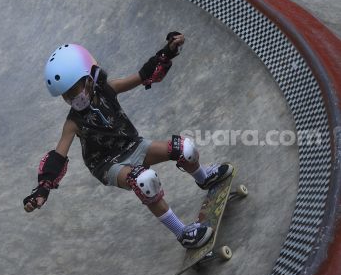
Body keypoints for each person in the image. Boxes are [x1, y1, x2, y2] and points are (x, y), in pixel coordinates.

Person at [24, 33, 232, 249]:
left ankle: (204, 177)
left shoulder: (107, 90)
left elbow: (142, 76)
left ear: (90, 77)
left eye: (75, 90)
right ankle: (183, 234)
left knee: (185, 149)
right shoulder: (73, 123)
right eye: (66, 96)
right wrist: (42, 189)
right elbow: (58, 155)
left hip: (134, 146)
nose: (73, 99)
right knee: (144, 180)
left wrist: (167, 51)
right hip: (108, 166)